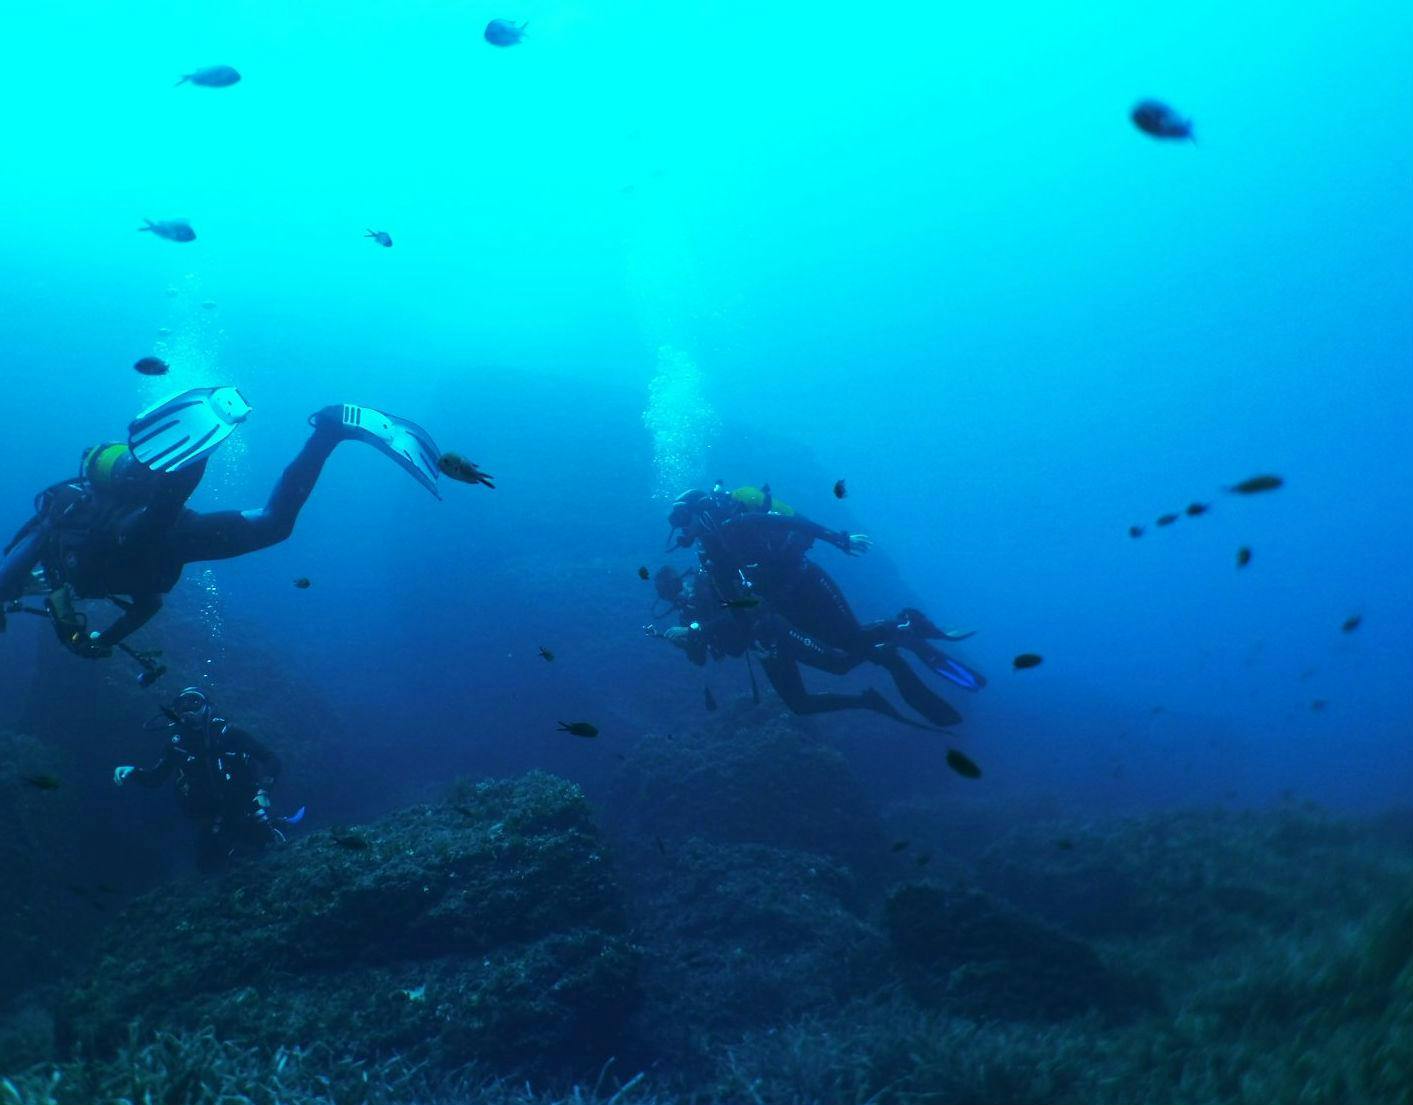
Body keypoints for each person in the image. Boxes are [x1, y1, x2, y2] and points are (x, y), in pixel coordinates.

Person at [0, 387, 463, 657]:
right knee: (274, 525)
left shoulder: (48, 531)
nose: (34, 587)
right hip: (171, 544)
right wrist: (105, 638)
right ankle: (331, 429)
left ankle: (201, 438)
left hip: (133, 532)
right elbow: (148, 605)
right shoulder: (70, 577)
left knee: (155, 519)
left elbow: (5, 577)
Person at [661, 484, 985, 725]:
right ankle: (890, 645)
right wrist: (711, 631)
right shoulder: (712, 555)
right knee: (843, 655)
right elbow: (735, 605)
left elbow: (796, 525)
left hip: (809, 583)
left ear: (700, 509)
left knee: (851, 641)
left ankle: (908, 624)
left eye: (683, 519)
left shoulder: (737, 523)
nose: (682, 529)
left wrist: (839, 539)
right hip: (784, 604)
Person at [649, 565, 961, 728]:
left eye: (674, 588)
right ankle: (867, 700)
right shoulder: (687, 615)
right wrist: (683, 643)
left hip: (775, 630)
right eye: (668, 595)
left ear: (680, 579)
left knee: (839, 664)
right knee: (800, 705)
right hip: (764, 650)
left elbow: (744, 609)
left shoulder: (707, 584)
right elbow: (707, 658)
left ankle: (900, 627)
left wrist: (697, 629)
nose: (676, 596)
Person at [114, 687, 291, 873]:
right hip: (210, 815)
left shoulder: (228, 733)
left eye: (194, 702)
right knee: (208, 867)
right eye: (181, 705)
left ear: (207, 706)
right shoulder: (176, 744)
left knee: (265, 851)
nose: (187, 708)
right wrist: (134, 772)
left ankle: (272, 827)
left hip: (241, 806)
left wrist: (263, 789)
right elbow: (155, 779)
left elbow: (271, 758)